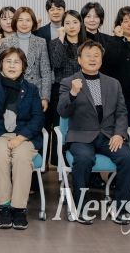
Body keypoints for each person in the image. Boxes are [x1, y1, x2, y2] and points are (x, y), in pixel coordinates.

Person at [57, 40, 130, 225]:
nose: (92, 59)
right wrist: (73, 94)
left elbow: (121, 112)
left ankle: (121, 207)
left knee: (128, 159)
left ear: (101, 59)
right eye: (88, 55)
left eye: (96, 56)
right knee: (84, 159)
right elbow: (62, 111)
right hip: (81, 136)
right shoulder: (69, 82)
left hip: (109, 136)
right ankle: (81, 207)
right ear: (79, 59)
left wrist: (119, 133)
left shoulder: (113, 83)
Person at [0, 48, 43, 230]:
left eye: (16, 62)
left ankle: (19, 208)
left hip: (24, 135)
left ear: (23, 67)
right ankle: (4, 207)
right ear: (1, 66)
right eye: (8, 61)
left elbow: (38, 119)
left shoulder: (31, 89)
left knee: (22, 156)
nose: (12, 65)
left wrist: (20, 138)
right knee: (0, 154)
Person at [47, 9, 87, 165]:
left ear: (80, 24)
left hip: (83, 90)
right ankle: (60, 162)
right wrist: (61, 39)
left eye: (75, 22)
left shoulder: (87, 44)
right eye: (67, 23)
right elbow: (56, 63)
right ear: (62, 25)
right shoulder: (55, 43)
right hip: (61, 90)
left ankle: (78, 161)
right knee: (60, 125)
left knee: (80, 124)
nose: (71, 26)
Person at [0, 6, 52, 111]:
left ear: (33, 22)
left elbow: (46, 72)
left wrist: (45, 97)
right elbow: (0, 67)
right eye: (20, 20)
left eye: (28, 20)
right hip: (11, 92)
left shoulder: (41, 42)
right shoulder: (5, 42)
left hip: (35, 92)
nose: (24, 24)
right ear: (15, 22)